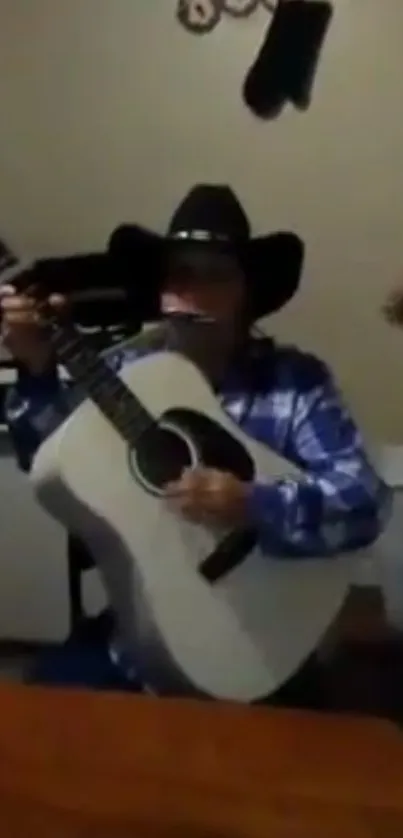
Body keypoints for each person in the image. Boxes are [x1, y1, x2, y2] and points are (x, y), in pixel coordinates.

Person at [1, 184, 391, 706]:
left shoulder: (294, 381)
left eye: (215, 275)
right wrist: (36, 369)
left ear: (245, 294)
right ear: (162, 291)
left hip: (263, 640)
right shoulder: (124, 371)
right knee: (42, 720)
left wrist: (253, 503)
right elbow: (47, 459)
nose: (193, 292)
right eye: (180, 275)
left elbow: (365, 503)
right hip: (139, 630)